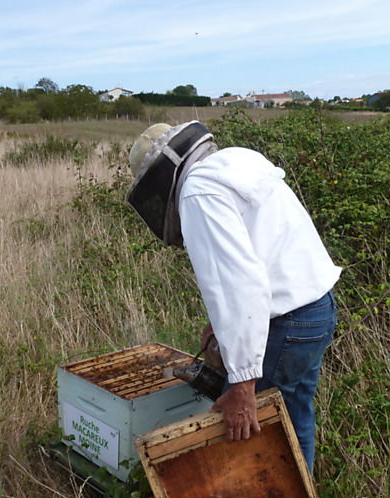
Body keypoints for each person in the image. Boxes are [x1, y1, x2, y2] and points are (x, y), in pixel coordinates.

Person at [126, 121, 340, 471]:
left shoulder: (198, 192)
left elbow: (240, 285)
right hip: (316, 312)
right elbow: (258, 252)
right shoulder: (237, 162)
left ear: (160, 174)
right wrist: (220, 325)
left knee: (250, 436)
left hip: (283, 325)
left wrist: (242, 385)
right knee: (293, 418)